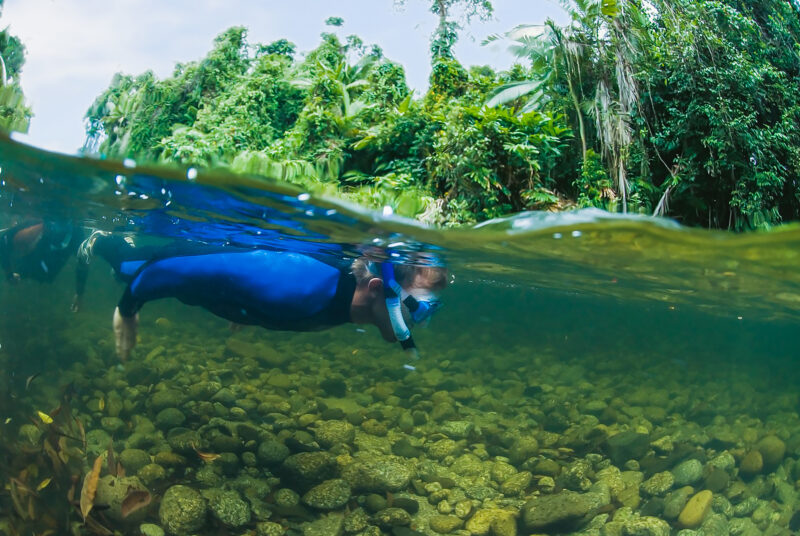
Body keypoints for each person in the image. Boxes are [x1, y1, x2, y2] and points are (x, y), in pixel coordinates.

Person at [78, 235, 447, 360]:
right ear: (377, 289)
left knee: (130, 267)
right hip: (179, 267)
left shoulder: (348, 303)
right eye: (416, 307)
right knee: (128, 268)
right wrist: (129, 307)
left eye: (429, 310)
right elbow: (173, 269)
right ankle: (103, 242)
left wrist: (246, 306)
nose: (418, 321)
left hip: (221, 293)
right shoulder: (299, 283)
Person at [0, 219, 84, 286]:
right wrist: (9, 273)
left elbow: (82, 259)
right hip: (38, 265)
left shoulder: (74, 234)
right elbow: (4, 243)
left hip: (41, 265)